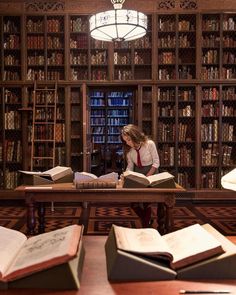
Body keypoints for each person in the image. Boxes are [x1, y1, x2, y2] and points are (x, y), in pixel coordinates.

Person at [120, 124, 160, 227]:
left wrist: (147, 177)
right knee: (134, 202)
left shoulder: (149, 144)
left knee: (146, 201)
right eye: (125, 141)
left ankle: (146, 225)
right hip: (138, 174)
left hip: (151, 173)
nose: (127, 143)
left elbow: (156, 162)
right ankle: (147, 219)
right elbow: (130, 166)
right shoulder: (129, 151)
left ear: (135, 136)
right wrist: (126, 174)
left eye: (129, 140)